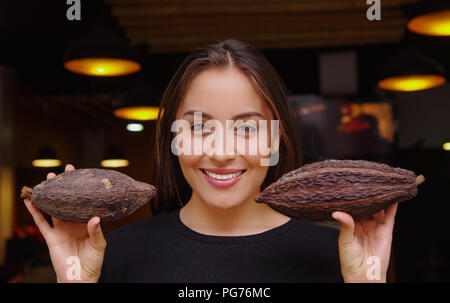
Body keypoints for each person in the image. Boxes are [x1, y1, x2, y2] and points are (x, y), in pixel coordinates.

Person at [23, 39, 398, 283]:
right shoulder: (113, 256)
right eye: (199, 127)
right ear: (173, 135)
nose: (220, 152)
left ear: (276, 138)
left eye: (247, 129)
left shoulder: (338, 256)